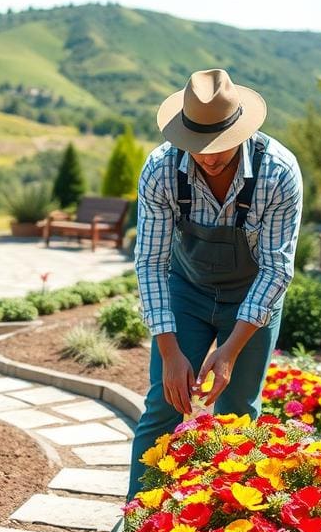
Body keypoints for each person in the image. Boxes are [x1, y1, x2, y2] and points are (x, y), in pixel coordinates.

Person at [127, 69, 303, 500]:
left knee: (238, 412)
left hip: (252, 294)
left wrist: (229, 352)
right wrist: (170, 353)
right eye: (197, 146)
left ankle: (226, 523)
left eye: (219, 146)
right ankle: (138, 517)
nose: (207, 157)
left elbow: (277, 269)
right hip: (186, 292)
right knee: (163, 406)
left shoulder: (278, 172)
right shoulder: (160, 170)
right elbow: (150, 263)